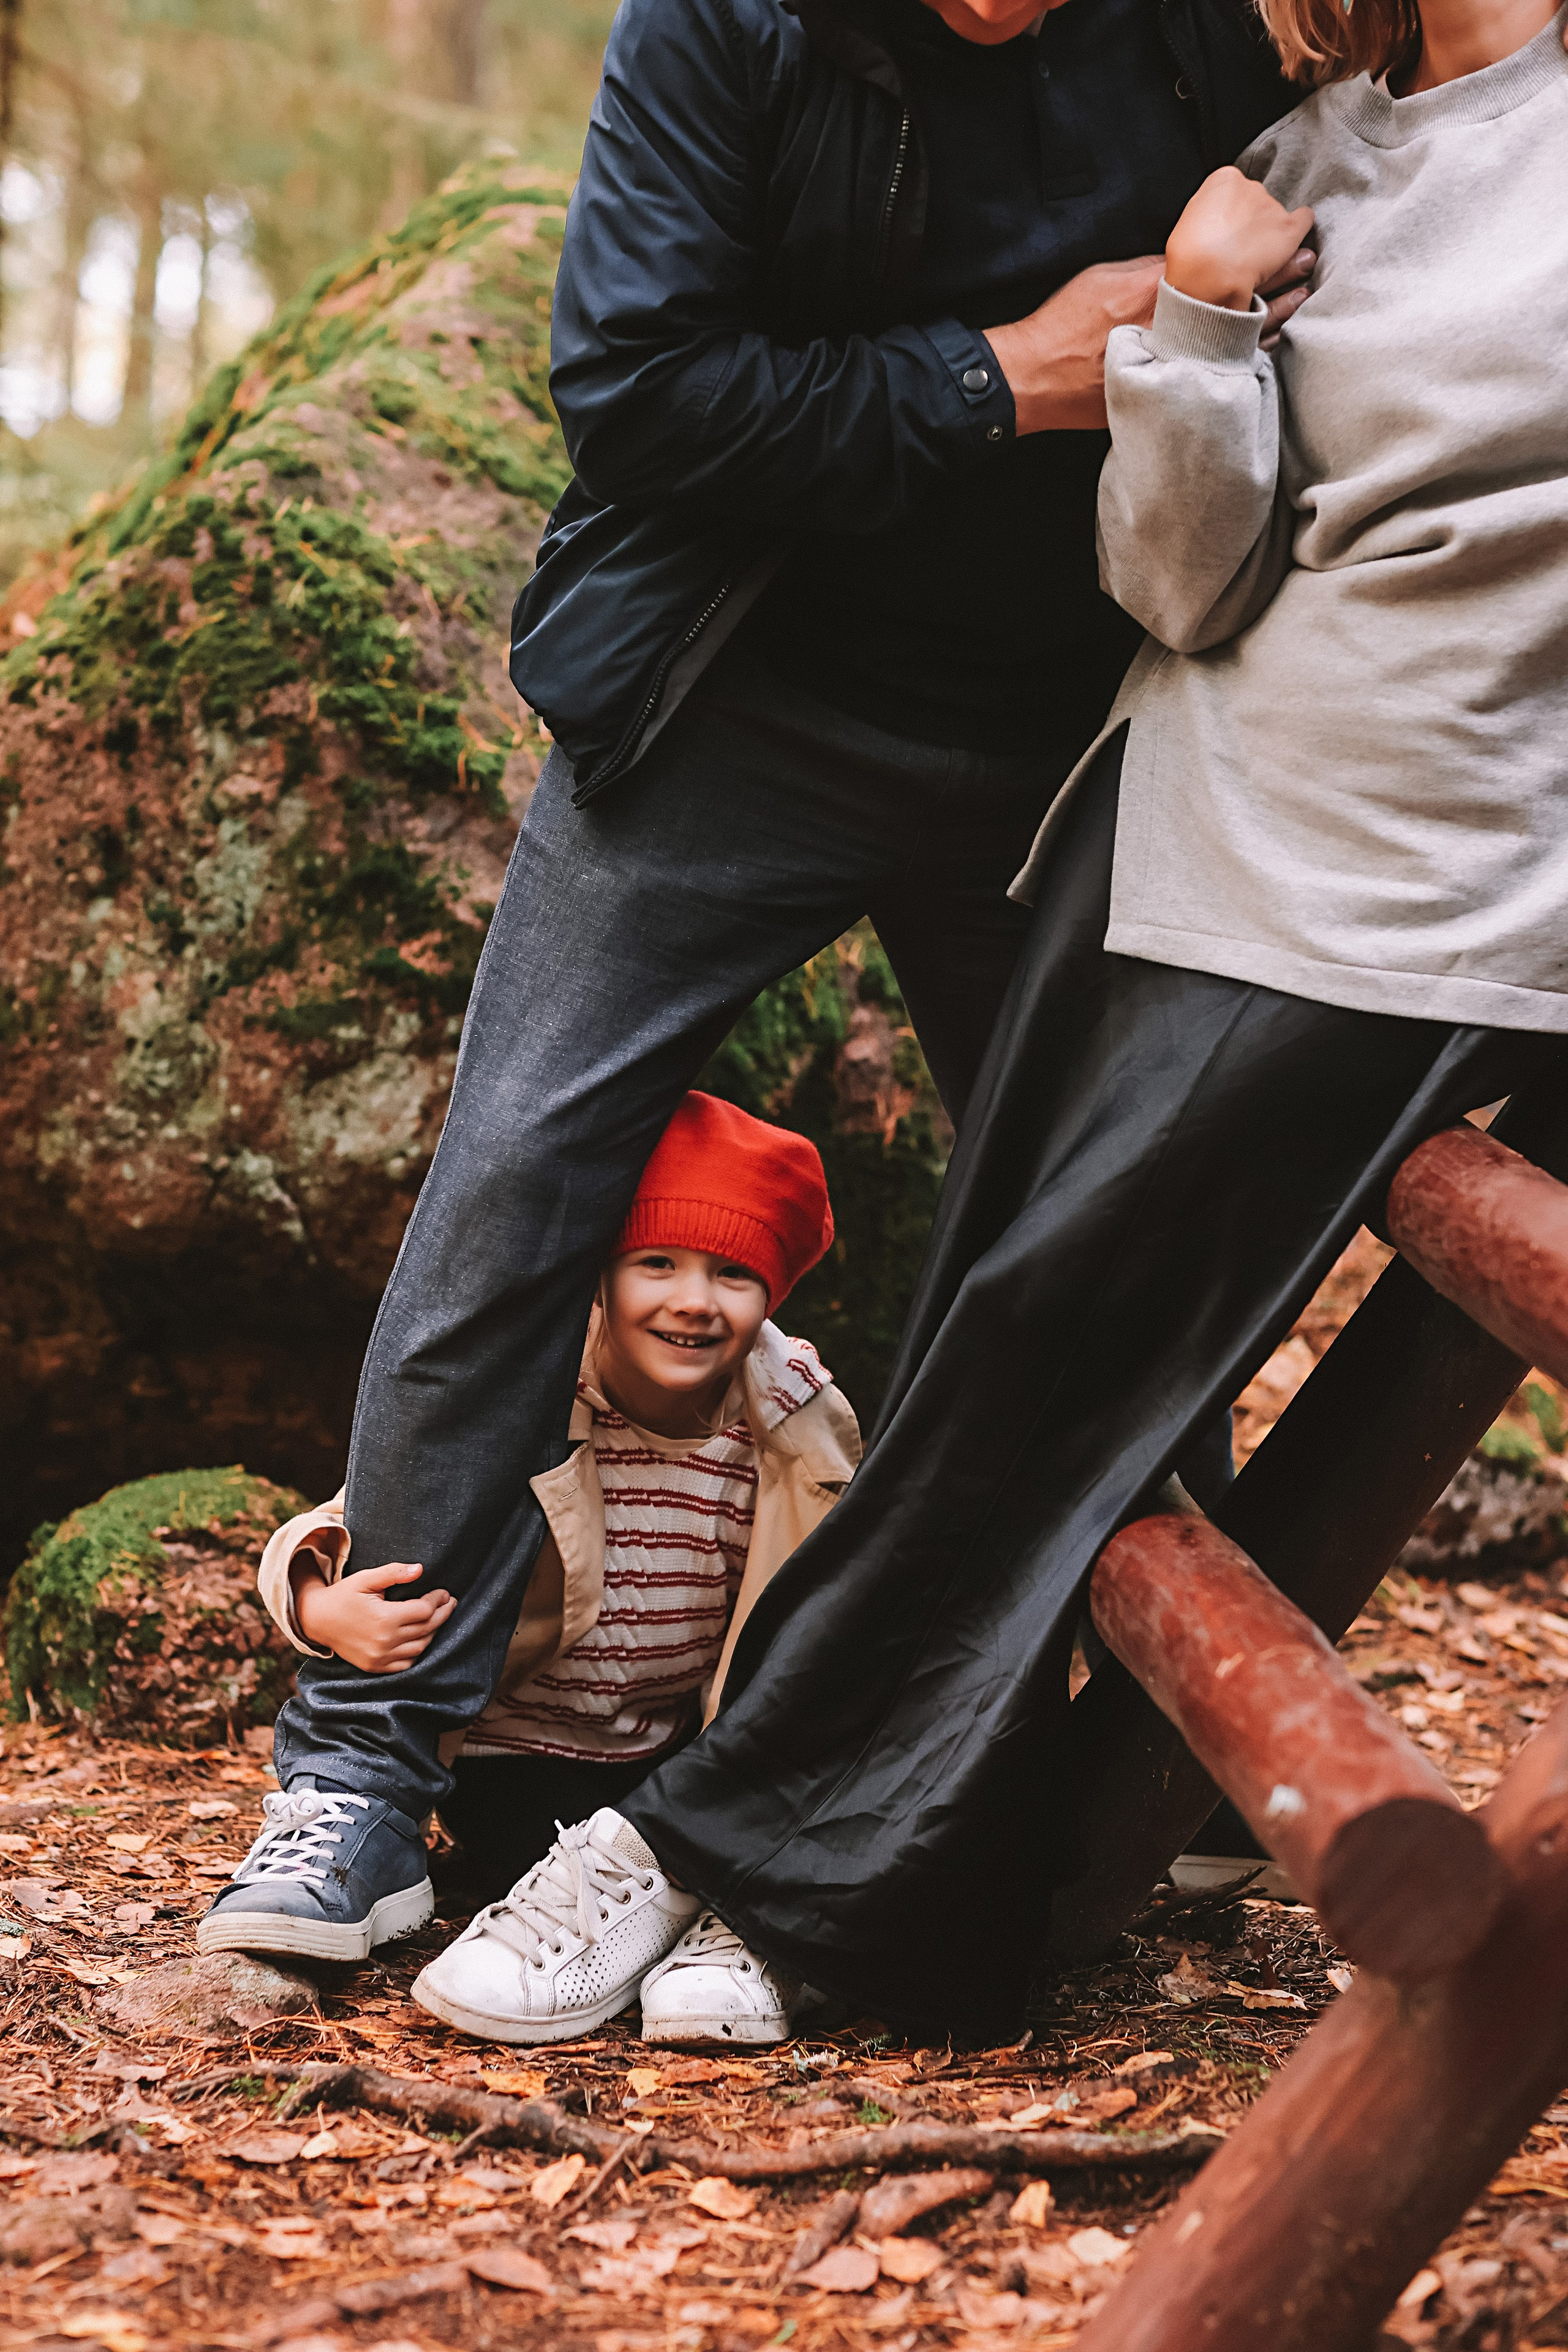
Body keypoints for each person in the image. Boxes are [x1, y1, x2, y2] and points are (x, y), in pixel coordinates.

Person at [401, 0, 1568, 2043]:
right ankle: (791, 1844)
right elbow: (1182, 579)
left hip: (1424, 885)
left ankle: (707, 1844)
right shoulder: (1300, 159)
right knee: (988, 1331)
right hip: (1142, 815)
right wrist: (1178, 338)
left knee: (1048, 1348)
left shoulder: (1352, 103)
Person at [200, 0, 1306, 1970]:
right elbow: (637, 389)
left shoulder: (1221, 24)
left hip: (1077, 729)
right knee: (520, 1184)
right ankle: (361, 1775)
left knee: (1109, 1218)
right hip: (734, 699)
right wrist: (1005, 380)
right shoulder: (725, 23)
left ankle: (1167, 1762)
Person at [204, 1096, 859, 2046]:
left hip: (662, 1763)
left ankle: (707, 1924)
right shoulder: (535, 1393)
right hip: (510, 1767)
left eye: (733, 1274)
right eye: (657, 1264)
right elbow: (356, 1517)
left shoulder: (787, 1429)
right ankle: (371, 1828)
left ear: (773, 1296)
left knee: (692, 1841)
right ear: (602, 1274)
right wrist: (317, 1602)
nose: (692, 1299)